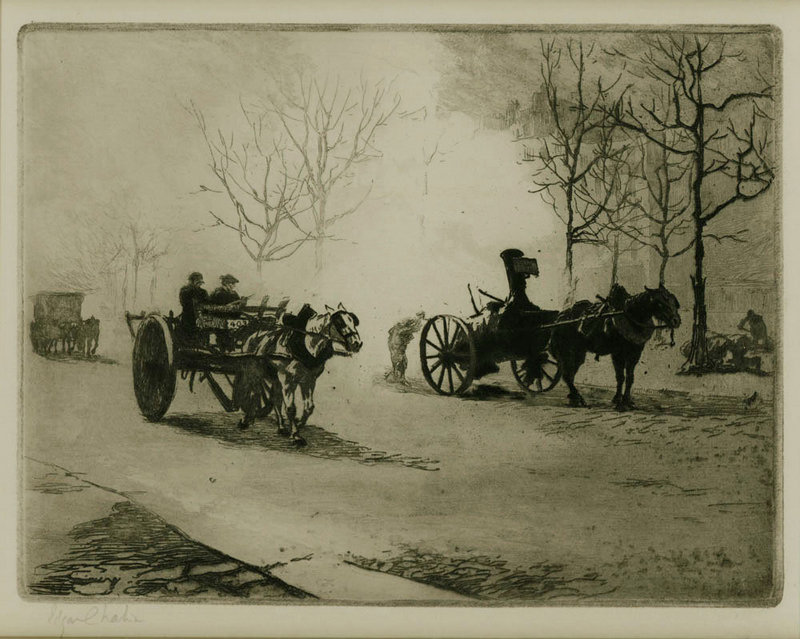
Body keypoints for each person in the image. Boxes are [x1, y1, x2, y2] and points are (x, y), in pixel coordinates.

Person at [385, 311, 426, 384]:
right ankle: (396, 376)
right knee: (397, 358)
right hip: (397, 340)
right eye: (421, 315)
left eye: (422, 316)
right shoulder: (411, 320)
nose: (421, 317)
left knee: (403, 360)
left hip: (401, 340)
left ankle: (401, 377)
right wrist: (403, 332)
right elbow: (399, 326)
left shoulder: (417, 323)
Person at [179, 272, 209, 340]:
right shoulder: (185, 291)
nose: (199, 284)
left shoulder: (203, 292)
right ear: (192, 281)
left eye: (200, 282)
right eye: (197, 281)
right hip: (189, 317)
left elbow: (208, 304)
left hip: (202, 316)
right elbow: (184, 303)